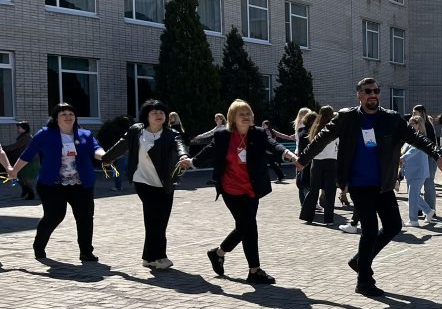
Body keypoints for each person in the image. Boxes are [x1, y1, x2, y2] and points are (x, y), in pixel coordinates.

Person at [297, 78, 441, 297]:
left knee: (393, 225)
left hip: (383, 184)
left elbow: (417, 139)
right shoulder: (346, 118)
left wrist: (439, 156)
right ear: (359, 94)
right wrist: (303, 159)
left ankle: (360, 261)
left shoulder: (391, 119)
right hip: (359, 183)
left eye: (376, 90)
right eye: (367, 91)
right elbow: (322, 137)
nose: (372, 94)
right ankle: (363, 281)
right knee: (370, 229)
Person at [191, 100, 298, 284]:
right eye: (242, 114)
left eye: (248, 113)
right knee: (246, 226)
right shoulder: (223, 135)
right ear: (233, 117)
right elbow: (209, 150)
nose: (246, 117)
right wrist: (192, 162)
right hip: (230, 189)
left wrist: (287, 154)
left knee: (248, 226)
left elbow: (273, 144)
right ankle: (251, 269)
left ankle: (221, 255)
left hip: (251, 189)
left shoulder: (258, 133)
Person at [7, 103, 107, 262]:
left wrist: (105, 156)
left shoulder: (85, 134)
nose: (68, 117)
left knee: (85, 217)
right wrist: (14, 171)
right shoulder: (45, 134)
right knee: (54, 216)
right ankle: (39, 246)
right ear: (56, 118)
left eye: (71, 114)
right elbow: (28, 154)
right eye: (63, 114)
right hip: (52, 185)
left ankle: (86, 252)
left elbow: (96, 149)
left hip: (81, 184)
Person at [101, 99, 192, 269]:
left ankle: (148, 257)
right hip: (143, 181)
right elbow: (122, 145)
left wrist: (183, 157)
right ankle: (160, 257)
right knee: (154, 219)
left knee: (159, 221)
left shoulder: (171, 134)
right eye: (154, 112)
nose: (159, 115)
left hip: (165, 183)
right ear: (147, 116)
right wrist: (107, 158)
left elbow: (180, 146)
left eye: (161, 112)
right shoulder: (136, 131)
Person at [299, 106, 339, 226]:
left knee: (313, 190)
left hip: (316, 162)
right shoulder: (334, 128)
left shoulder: (314, 128)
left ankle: (308, 216)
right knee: (330, 191)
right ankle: (329, 219)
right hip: (332, 161)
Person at [400, 115, 436, 227]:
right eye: (409, 123)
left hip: (419, 171)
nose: (410, 125)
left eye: (412, 123)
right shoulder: (409, 138)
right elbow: (403, 150)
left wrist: (403, 158)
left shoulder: (421, 138)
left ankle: (413, 220)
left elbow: (414, 150)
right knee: (414, 195)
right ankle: (428, 211)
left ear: (419, 126)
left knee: (412, 195)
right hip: (411, 171)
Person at [412, 104, 438, 213]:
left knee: (428, 183)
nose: (413, 115)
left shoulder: (427, 126)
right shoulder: (416, 125)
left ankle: (431, 209)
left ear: (421, 113)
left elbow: (431, 144)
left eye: (415, 113)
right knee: (418, 184)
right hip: (421, 158)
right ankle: (420, 208)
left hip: (429, 158)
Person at [3, 121, 37, 200]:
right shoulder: (23, 136)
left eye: (19, 128)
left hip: (30, 161)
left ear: (25, 129)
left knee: (25, 178)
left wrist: (2, 148)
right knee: (20, 177)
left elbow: (14, 146)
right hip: (25, 160)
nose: (17, 129)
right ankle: (26, 191)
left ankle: (31, 193)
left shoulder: (26, 137)